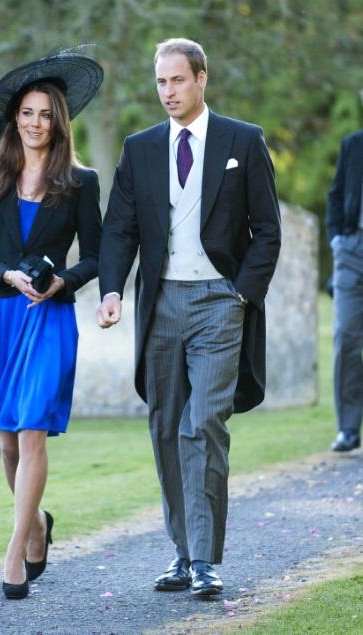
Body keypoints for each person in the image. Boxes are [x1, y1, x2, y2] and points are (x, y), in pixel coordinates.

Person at [97, 38, 281, 597]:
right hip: (160, 304)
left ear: (202, 78)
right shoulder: (140, 148)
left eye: (177, 80)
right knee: (165, 427)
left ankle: (205, 560)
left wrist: (241, 296)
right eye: (160, 82)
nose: (168, 92)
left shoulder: (243, 142)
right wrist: (111, 291)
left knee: (202, 423)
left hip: (219, 304)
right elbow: (120, 229)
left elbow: (267, 230)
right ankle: (183, 553)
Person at [0, 51, 103, 599]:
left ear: (59, 120)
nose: (35, 122)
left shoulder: (81, 181)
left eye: (45, 113)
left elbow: (94, 257)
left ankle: (14, 552)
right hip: (0, 314)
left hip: (49, 317)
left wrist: (59, 282)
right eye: (26, 112)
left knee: (32, 430)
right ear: (13, 118)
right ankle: (38, 524)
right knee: (7, 446)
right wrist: (5, 275)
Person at [326, 128, 363, 452]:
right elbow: (336, 195)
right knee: (347, 334)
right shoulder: (353, 144)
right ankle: (349, 429)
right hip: (352, 251)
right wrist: (336, 240)